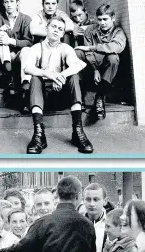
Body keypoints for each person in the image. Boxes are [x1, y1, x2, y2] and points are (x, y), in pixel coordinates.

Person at [23, 16, 93, 154]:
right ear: (46, 29)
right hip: (42, 100)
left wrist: (60, 77)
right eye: (53, 27)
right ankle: (39, 134)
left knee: (73, 76)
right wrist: (49, 74)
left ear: (62, 34)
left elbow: (77, 65)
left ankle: (77, 131)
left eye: (60, 29)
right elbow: (27, 68)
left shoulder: (66, 48)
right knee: (35, 78)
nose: (56, 31)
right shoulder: (37, 48)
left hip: (62, 97)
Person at [76, 4, 127, 120]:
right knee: (78, 53)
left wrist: (93, 48)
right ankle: (79, 96)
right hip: (92, 64)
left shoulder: (118, 32)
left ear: (113, 18)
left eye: (105, 19)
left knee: (113, 58)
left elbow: (116, 47)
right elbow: (87, 53)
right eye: (100, 19)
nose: (102, 23)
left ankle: (100, 97)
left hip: (108, 68)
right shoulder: (90, 30)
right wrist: (95, 70)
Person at [0, 0, 33, 107]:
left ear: (17, 3)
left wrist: (10, 41)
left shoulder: (26, 19)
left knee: (26, 50)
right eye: (6, 2)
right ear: (3, 4)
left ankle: (25, 85)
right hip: (4, 55)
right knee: (0, 34)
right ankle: (7, 67)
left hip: (20, 55)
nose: (9, 5)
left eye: (11, 1)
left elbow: (29, 42)